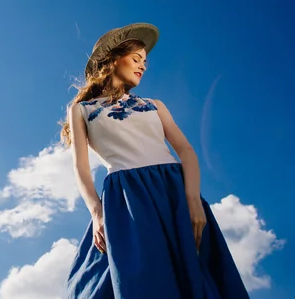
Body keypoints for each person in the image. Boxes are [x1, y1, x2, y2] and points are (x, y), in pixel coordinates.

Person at [61, 23, 249, 298]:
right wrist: (97, 212)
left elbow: (185, 151)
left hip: (173, 190)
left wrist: (194, 201)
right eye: (136, 58)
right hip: (126, 197)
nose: (143, 66)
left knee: (196, 276)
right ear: (114, 59)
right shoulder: (82, 109)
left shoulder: (154, 104)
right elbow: (80, 167)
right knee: (138, 277)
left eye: (145, 61)